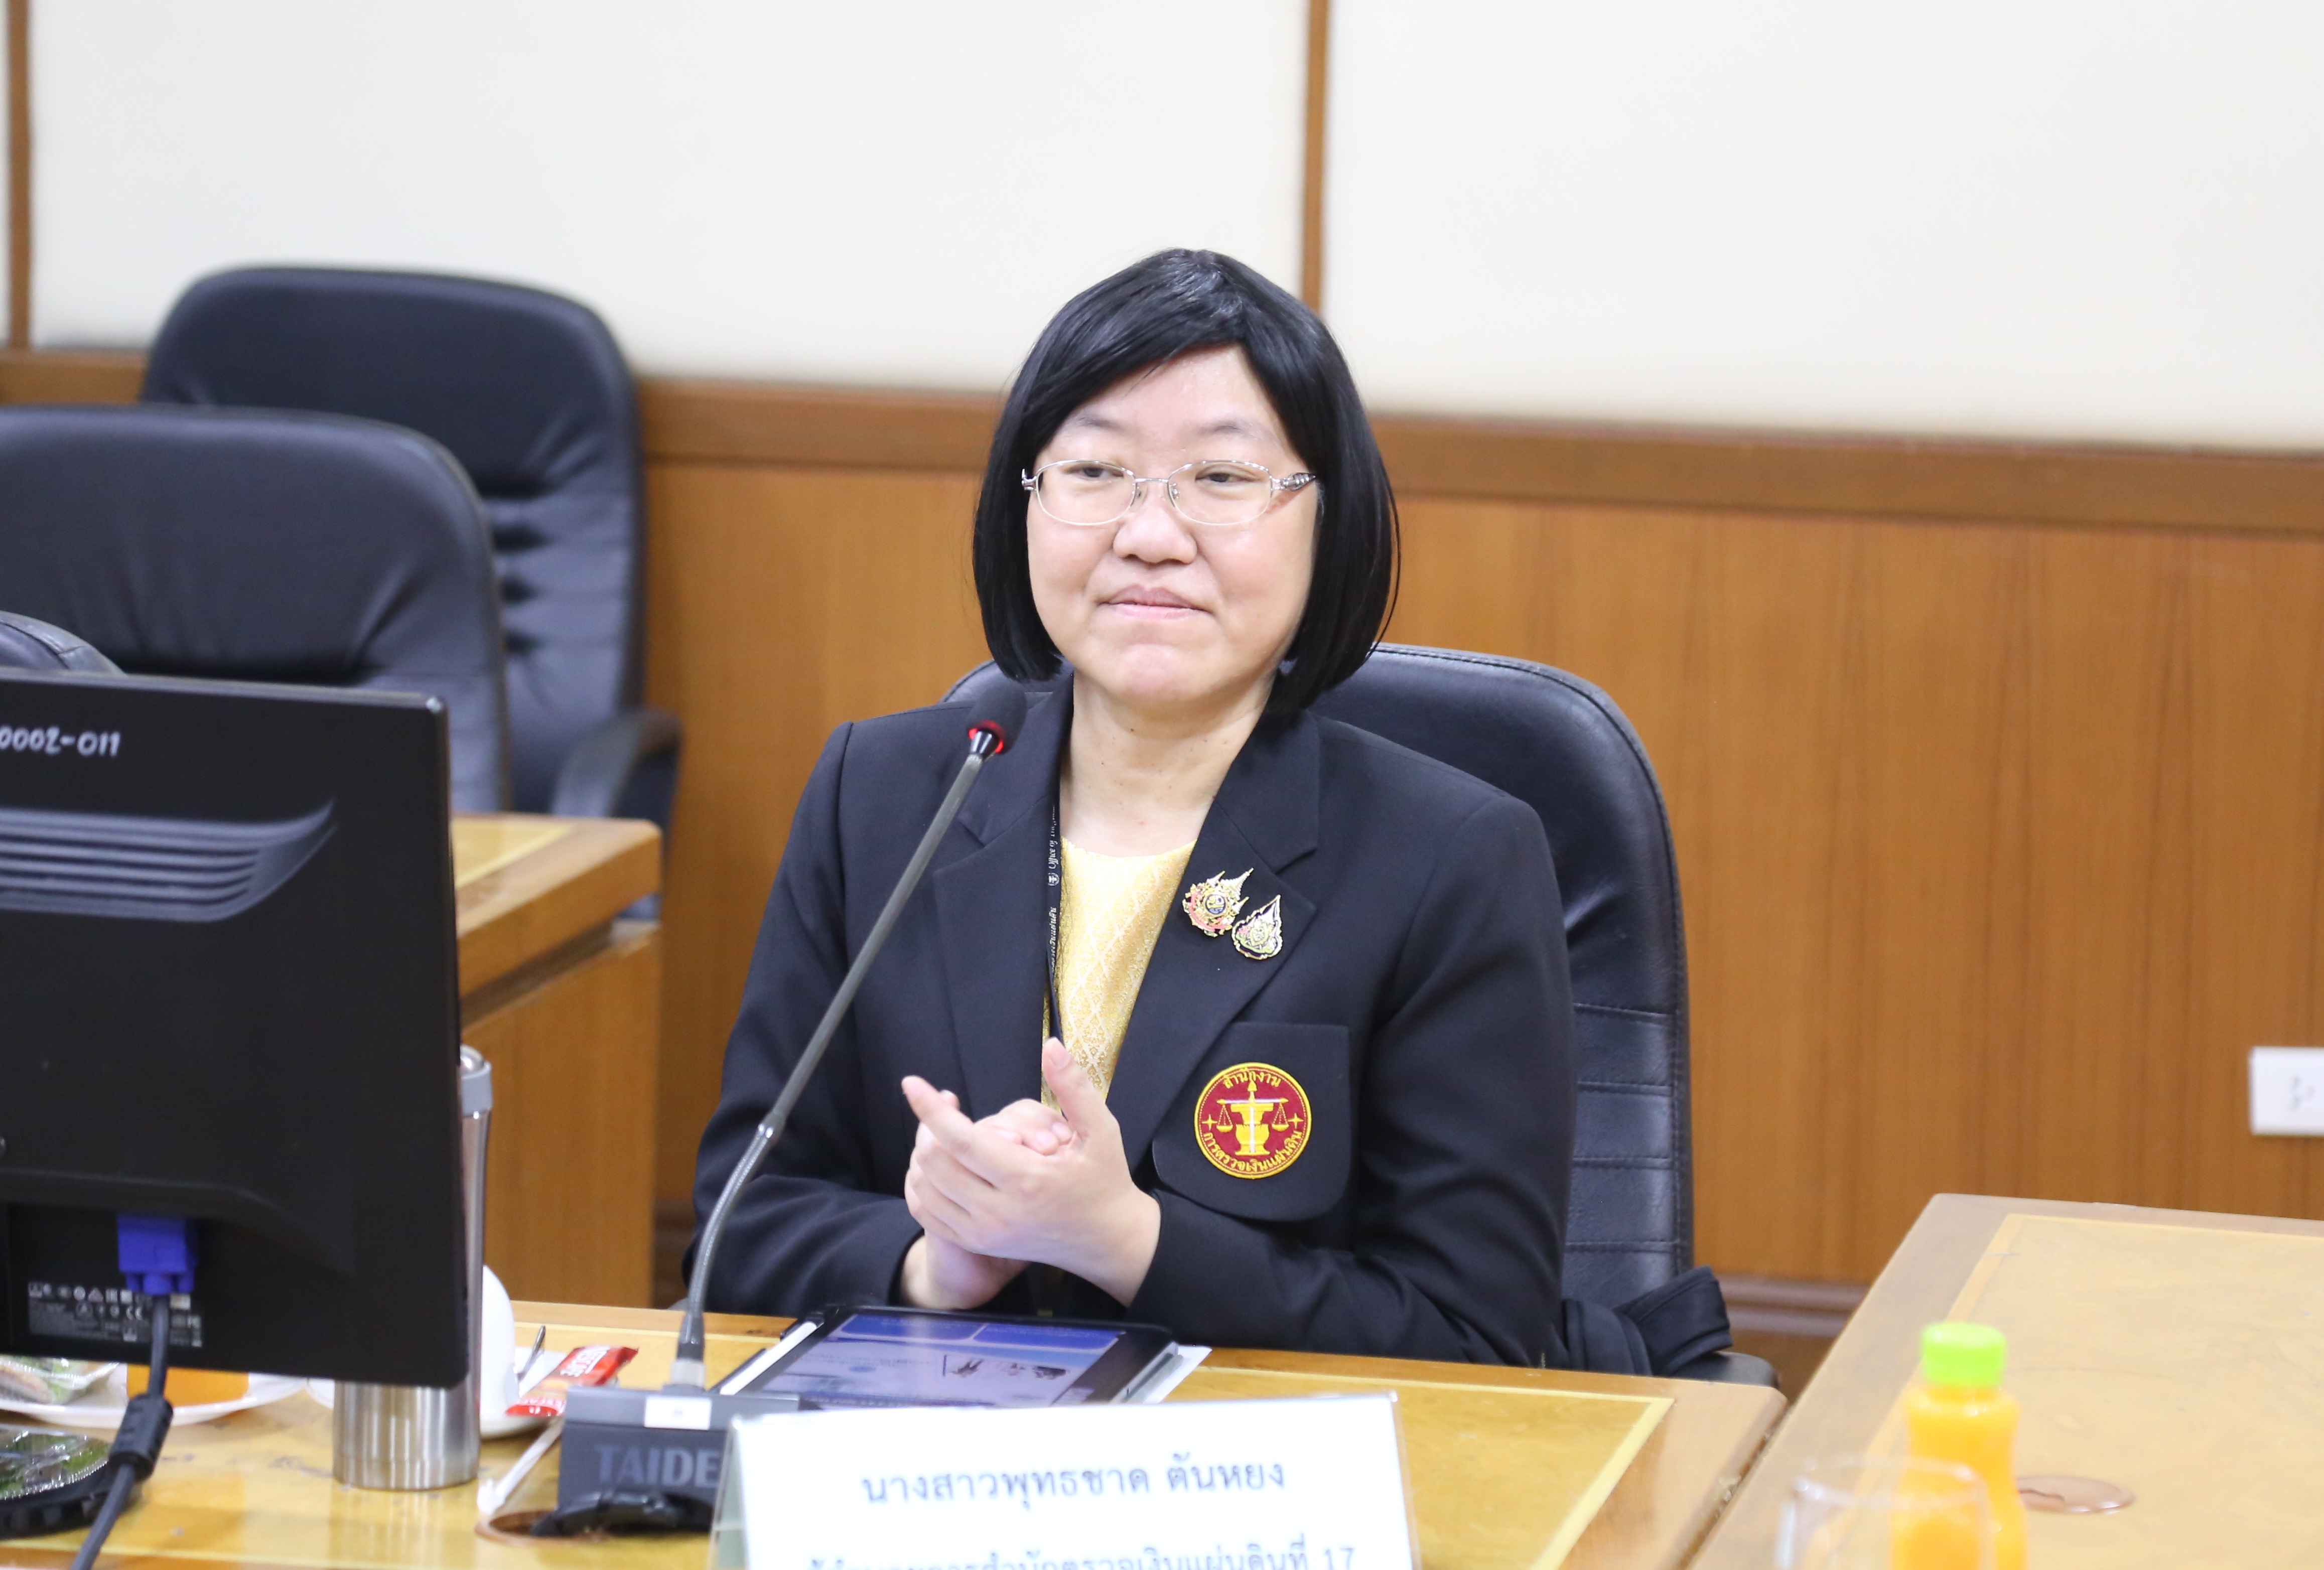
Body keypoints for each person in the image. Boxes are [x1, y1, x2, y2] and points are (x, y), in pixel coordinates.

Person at [693, 249, 1576, 1365]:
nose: (1150, 534)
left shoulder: (1448, 857)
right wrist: (934, 1262)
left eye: (1223, 478)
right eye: (1096, 471)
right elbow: (742, 1227)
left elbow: (1477, 1335)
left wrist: (1127, 1241)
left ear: (1327, 518)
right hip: (932, 1442)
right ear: (1024, 502)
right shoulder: (884, 794)